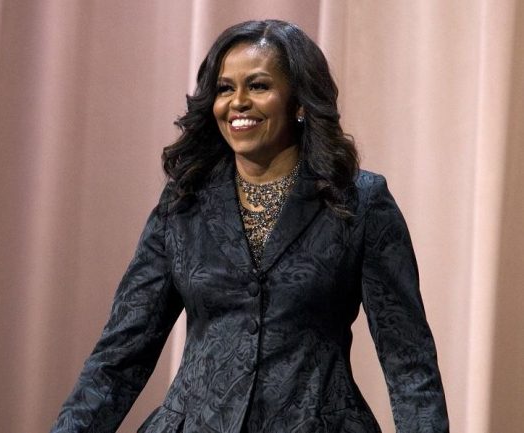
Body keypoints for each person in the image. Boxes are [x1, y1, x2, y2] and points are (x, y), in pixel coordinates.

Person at [50, 19, 449, 433]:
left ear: (299, 102)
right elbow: (120, 355)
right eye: (225, 89)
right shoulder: (183, 203)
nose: (238, 102)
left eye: (258, 86)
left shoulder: (360, 202)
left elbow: (409, 362)